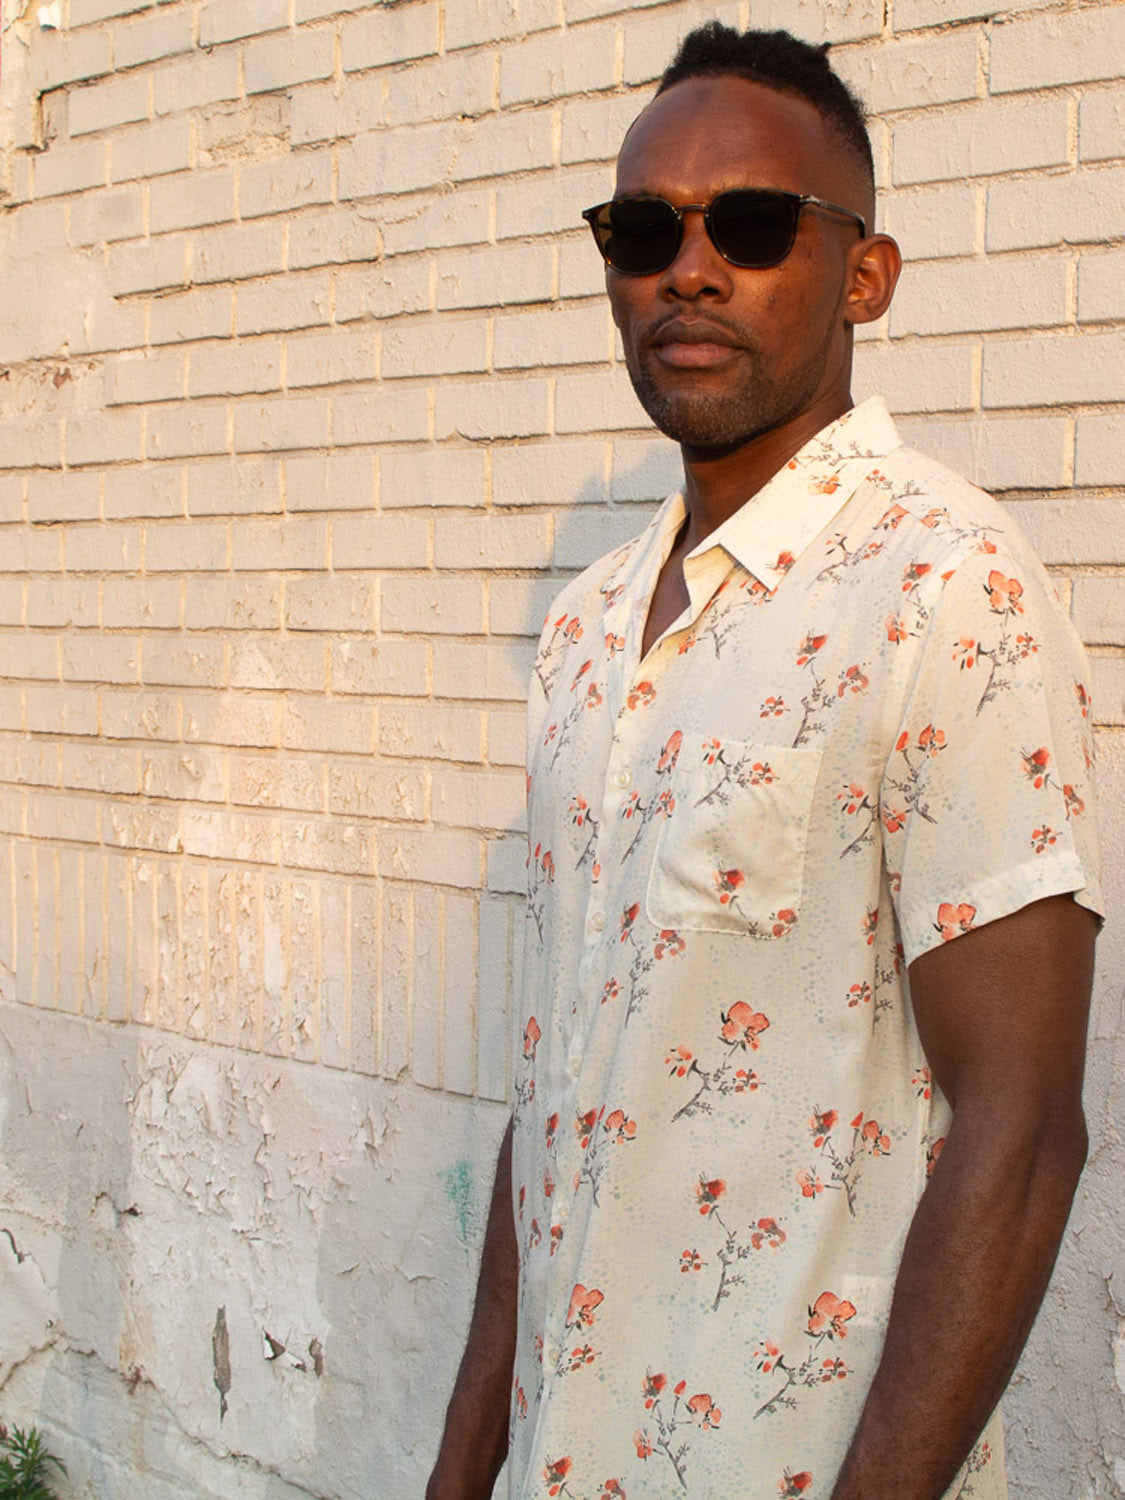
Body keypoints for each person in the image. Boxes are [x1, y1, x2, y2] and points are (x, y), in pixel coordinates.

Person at [427, 23, 1101, 1500]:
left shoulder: (944, 585)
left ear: (863, 273)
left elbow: (1024, 1127)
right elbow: (553, 1096)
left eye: (747, 223)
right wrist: (459, 1463)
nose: (687, 266)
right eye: (640, 230)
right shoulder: (589, 631)